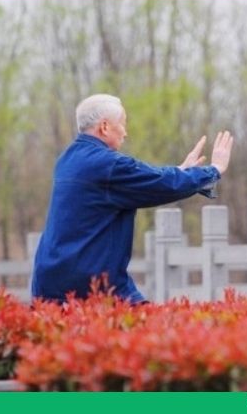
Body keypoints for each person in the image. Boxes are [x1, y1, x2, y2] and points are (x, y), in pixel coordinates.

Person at [31, 94, 233, 304]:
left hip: (50, 280)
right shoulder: (107, 165)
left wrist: (180, 171)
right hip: (90, 286)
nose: (125, 133)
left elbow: (149, 178)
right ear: (105, 127)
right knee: (153, 333)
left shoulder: (67, 159)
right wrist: (214, 170)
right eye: (123, 124)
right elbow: (160, 184)